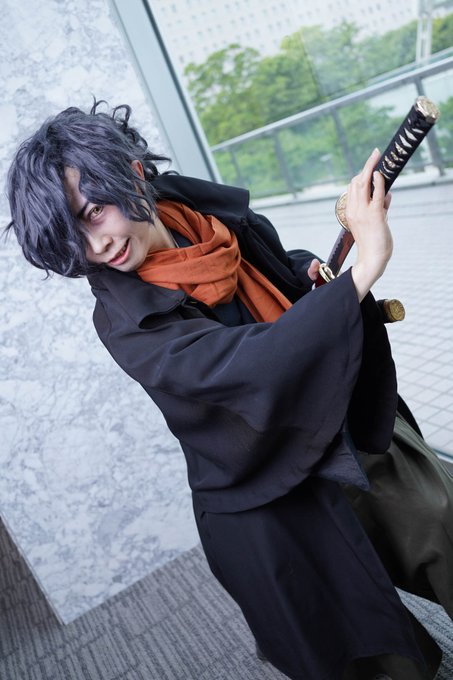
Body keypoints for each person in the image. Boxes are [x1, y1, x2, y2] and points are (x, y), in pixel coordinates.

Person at [5, 101, 447, 680]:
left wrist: (310, 271)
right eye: (74, 237)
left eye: (94, 212)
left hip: (336, 418)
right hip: (259, 486)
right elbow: (249, 364)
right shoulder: (122, 321)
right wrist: (367, 266)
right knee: (368, 655)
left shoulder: (202, 214)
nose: (97, 247)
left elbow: (274, 272)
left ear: (131, 173)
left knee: (442, 523)